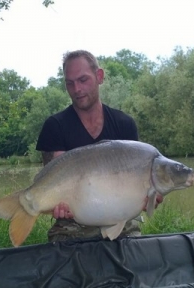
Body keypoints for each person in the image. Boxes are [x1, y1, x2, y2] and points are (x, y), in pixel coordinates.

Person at [36, 50, 162, 242]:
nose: (77, 89)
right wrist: (55, 207)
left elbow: (140, 183)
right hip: (72, 225)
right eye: (70, 83)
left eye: (83, 80)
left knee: (134, 262)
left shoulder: (124, 124)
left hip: (122, 222)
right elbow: (54, 179)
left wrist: (150, 197)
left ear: (99, 76)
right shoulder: (55, 126)